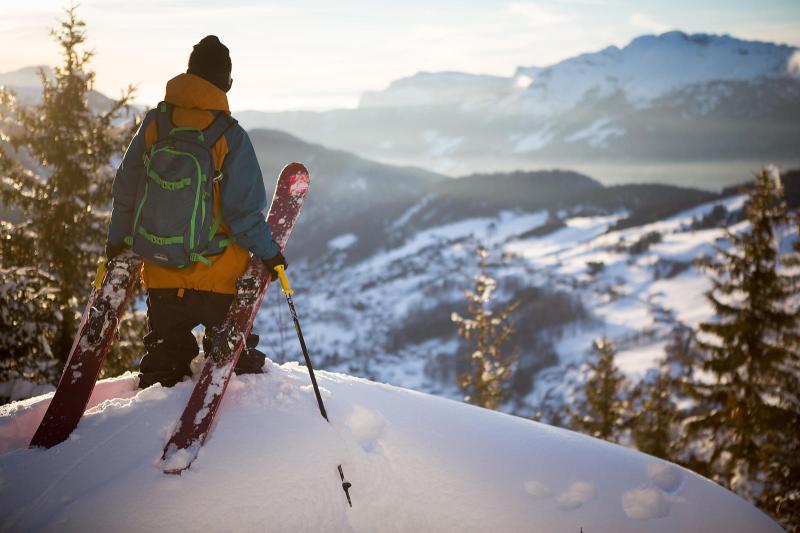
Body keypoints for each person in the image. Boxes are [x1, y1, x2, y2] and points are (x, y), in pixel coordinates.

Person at [106, 35, 286, 388]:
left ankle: (146, 425)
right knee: (236, 372)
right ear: (227, 84)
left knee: (162, 369)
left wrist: (117, 241)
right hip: (218, 278)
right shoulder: (230, 136)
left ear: (188, 73)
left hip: (161, 274)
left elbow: (126, 188)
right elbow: (244, 214)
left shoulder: (156, 124)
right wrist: (271, 255)